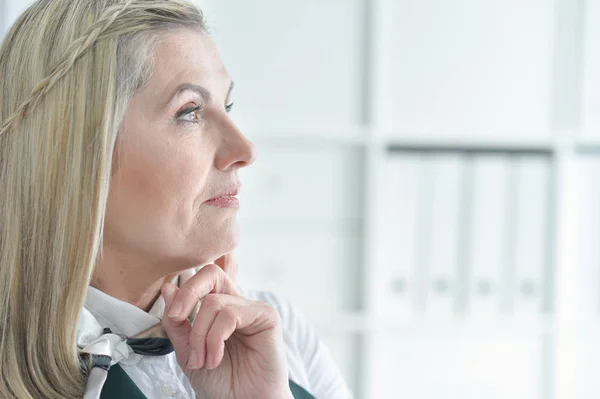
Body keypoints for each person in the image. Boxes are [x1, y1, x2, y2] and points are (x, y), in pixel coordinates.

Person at [0, 0, 353, 398]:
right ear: (74, 154)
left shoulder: (278, 333)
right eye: (190, 111)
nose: (244, 148)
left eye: (227, 105)